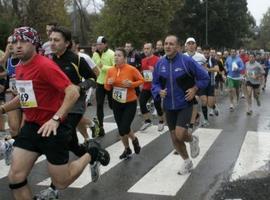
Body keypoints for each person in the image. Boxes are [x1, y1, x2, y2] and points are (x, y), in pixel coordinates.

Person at [3, 26, 110, 200]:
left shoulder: (45, 65)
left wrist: (55, 118)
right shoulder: (21, 67)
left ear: (35, 44)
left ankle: (92, 153)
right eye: (15, 42)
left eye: (24, 41)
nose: (18, 45)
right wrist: (2, 109)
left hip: (54, 127)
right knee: (15, 177)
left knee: (61, 182)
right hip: (32, 126)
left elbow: (73, 92)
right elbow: (25, 97)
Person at [152, 35, 209, 174]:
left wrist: (195, 89)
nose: (167, 46)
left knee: (180, 134)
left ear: (178, 47)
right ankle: (187, 161)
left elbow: (204, 77)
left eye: (171, 44)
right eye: (166, 43)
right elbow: (155, 83)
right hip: (168, 106)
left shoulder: (186, 61)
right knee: (174, 138)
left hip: (184, 103)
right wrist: (159, 91)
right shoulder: (160, 63)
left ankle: (192, 139)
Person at [104, 47, 144, 160]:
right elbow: (106, 87)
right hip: (116, 102)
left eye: (119, 55)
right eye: (115, 55)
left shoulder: (131, 69)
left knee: (124, 127)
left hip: (129, 103)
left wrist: (131, 84)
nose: (116, 57)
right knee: (122, 129)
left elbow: (141, 80)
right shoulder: (110, 70)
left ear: (125, 58)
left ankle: (134, 140)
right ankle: (127, 149)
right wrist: (109, 83)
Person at [139, 42, 165, 131]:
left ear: (152, 50)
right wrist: (141, 83)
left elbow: (163, 73)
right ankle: (147, 121)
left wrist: (155, 71)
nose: (146, 50)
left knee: (157, 105)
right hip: (146, 86)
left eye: (148, 48)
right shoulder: (143, 60)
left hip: (155, 86)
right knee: (141, 102)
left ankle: (161, 122)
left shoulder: (158, 60)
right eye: (145, 49)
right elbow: (143, 72)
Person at [92, 36, 114, 137]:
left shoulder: (111, 53)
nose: (99, 46)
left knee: (112, 105)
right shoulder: (95, 54)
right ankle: (101, 127)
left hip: (110, 83)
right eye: (97, 44)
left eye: (101, 44)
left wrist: (103, 67)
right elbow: (92, 66)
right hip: (100, 83)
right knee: (99, 105)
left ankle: (120, 122)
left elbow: (115, 68)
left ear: (105, 44)